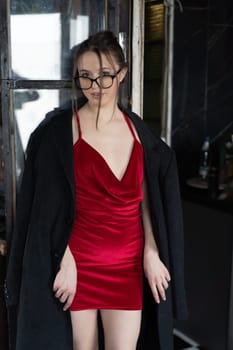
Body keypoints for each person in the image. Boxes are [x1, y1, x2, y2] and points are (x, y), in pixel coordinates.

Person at [6, 31, 187, 350]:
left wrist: (152, 251)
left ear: (123, 75)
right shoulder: (58, 136)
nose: (95, 87)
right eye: (86, 77)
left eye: (104, 76)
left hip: (128, 263)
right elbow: (49, 210)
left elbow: (146, 196)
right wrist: (64, 258)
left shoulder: (138, 132)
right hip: (80, 265)